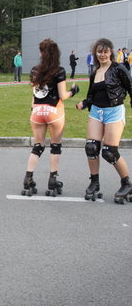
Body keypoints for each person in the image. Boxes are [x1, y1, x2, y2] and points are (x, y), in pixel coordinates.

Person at [76, 38, 132, 204]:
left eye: (105, 51)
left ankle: (127, 183)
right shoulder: (94, 72)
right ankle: (94, 182)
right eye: (99, 52)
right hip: (96, 112)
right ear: (96, 53)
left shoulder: (119, 69)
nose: (102, 55)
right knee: (91, 147)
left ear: (111, 52)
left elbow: (130, 88)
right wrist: (84, 103)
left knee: (109, 151)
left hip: (114, 111)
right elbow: (91, 96)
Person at [21, 39, 79, 197]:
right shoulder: (59, 70)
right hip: (53, 111)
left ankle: (28, 177)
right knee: (55, 146)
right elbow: (62, 95)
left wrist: (33, 109)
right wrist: (74, 91)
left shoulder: (34, 70)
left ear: (41, 53)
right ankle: (53, 181)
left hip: (37, 111)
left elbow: (35, 94)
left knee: (38, 146)